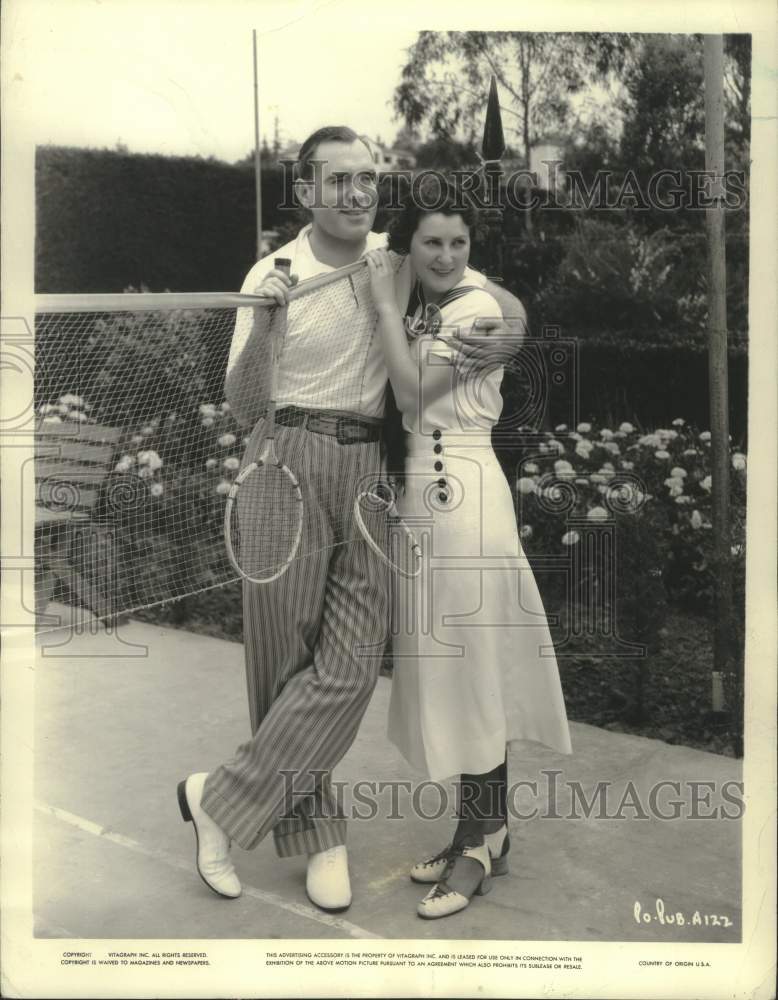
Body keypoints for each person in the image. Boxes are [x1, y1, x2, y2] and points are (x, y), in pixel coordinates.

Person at [177, 126, 527, 913]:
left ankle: (217, 800)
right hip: (283, 460)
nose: (356, 192)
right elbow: (241, 406)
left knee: (352, 664)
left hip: (370, 471)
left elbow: (478, 285)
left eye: (366, 178)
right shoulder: (272, 272)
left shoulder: (392, 261)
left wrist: (516, 319)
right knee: (283, 660)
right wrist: (266, 321)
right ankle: (317, 835)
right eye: (338, 180)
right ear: (305, 191)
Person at [364, 180, 572, 920]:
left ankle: (481, 845)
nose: (447, 255)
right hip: (426, 497)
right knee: (455, 671)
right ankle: (480, 829)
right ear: (408, 245)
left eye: (458, 241)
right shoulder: (420, 297)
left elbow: (417, 393)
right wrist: (393, 297)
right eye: (431, 242)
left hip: (465, 494)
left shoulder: (479, 307)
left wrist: (388, 307)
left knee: (474, 670)